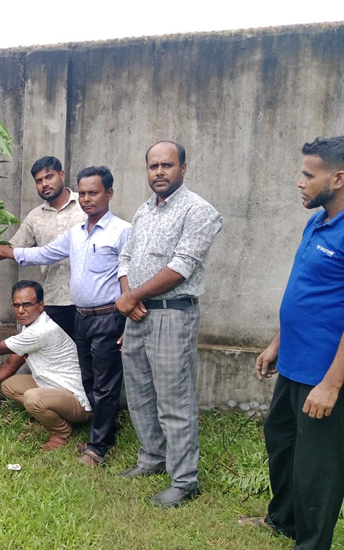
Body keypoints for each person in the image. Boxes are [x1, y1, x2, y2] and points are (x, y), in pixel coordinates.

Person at [0, 166, 130, 467]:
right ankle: (102, 429)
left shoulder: (122, 231)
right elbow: (44, 254)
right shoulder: (76, 233)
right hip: (82, 316)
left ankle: (98, 447)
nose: (87, 199)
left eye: (94, 193)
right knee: (89, 379)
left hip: (109, 316)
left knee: (105, 383)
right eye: (84, 193)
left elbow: (131, 276)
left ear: (109, 194)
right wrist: (8, 252)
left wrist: (128, 323)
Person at [239, 136, 344, 549]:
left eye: (308, 175)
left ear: (338, 177)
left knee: (318, 466)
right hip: (295, 362)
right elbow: (304, 291)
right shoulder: (317, 222)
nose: (300, 183)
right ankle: (282, 519)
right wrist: (276, 344)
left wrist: (332, 385)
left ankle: (312, 543)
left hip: (324, 372)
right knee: (280, 439)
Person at [115, 141, 222, 508]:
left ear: (183, 168)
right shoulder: (143, 212)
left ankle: (184, 480)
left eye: (167, 165)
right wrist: (130, 300)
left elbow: (182, 265)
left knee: (174, 400)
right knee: (140, 392)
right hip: (138, 314)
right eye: (153, 166)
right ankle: (152, 457)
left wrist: (133, 298)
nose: (159, 172)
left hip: (173, 314)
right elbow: (125, 258)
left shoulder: (199, 211)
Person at [0, 280, 91, 451]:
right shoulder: (31, 326)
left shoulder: (41, 331)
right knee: (10, 386)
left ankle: (62, 433)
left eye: (27, 305)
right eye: (16, 305)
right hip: (55, 388)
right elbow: (10, 364)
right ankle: (57, 415)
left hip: (78, 400)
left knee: (32, 398)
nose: (21, 311)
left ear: (41, 305)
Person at [7, 156, 86, 342]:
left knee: (87, 356)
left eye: (49, 177)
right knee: (54, 353)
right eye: (39, 181)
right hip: (54, 299)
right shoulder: (35, 217)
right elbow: (13, 248)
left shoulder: (85, 205)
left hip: (85, 299)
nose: (44, 184)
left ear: (61, 175)